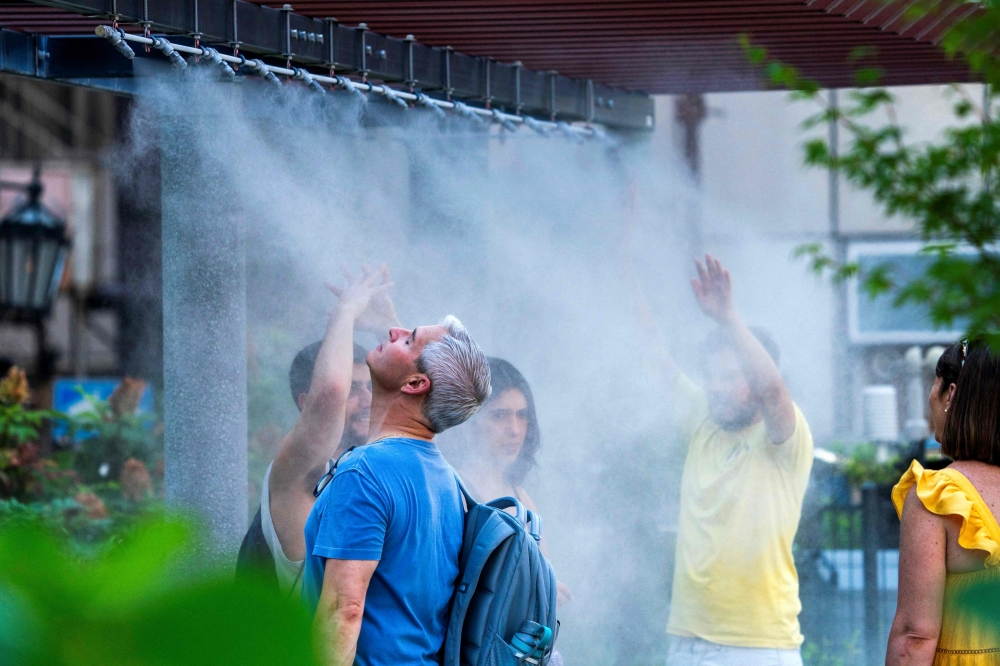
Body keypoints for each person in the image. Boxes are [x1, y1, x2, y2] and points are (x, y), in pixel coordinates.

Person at [625, 254, 814, 664]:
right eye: (712, 375)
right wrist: (624, 261)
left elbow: (775, 391)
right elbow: (653, 354)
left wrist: (729, 319)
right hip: (686, 643)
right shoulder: (702, 422)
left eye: (731, 376)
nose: (716, 386)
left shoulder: (783, 437)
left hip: (759, 647)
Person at [304, 316, 492, 666]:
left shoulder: (366, 472)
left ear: (416, 383)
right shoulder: (449, 481)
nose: (394, 331)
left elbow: (341, 613)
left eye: (409, 341)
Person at [238, 265, 398, 595]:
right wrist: (346, 313)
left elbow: (423, 403)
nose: (368, 399)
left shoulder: (373, 469)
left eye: (370, 386)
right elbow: (330, 394)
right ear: (305, 403)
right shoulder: (301, 474)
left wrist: (390, 329)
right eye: (354, 389)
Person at [887, 341, 1000, 665]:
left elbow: (915, 636)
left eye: (932, 385)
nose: (929, 398)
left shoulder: (939, 498)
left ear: (951, 394)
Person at [446, 356, 572, 607]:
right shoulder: (454, 491)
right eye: (500, 415)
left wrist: (548, 591)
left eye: (522, 415)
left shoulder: (520, 495)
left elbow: (542, 575)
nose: (515, 429)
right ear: (469, 422)